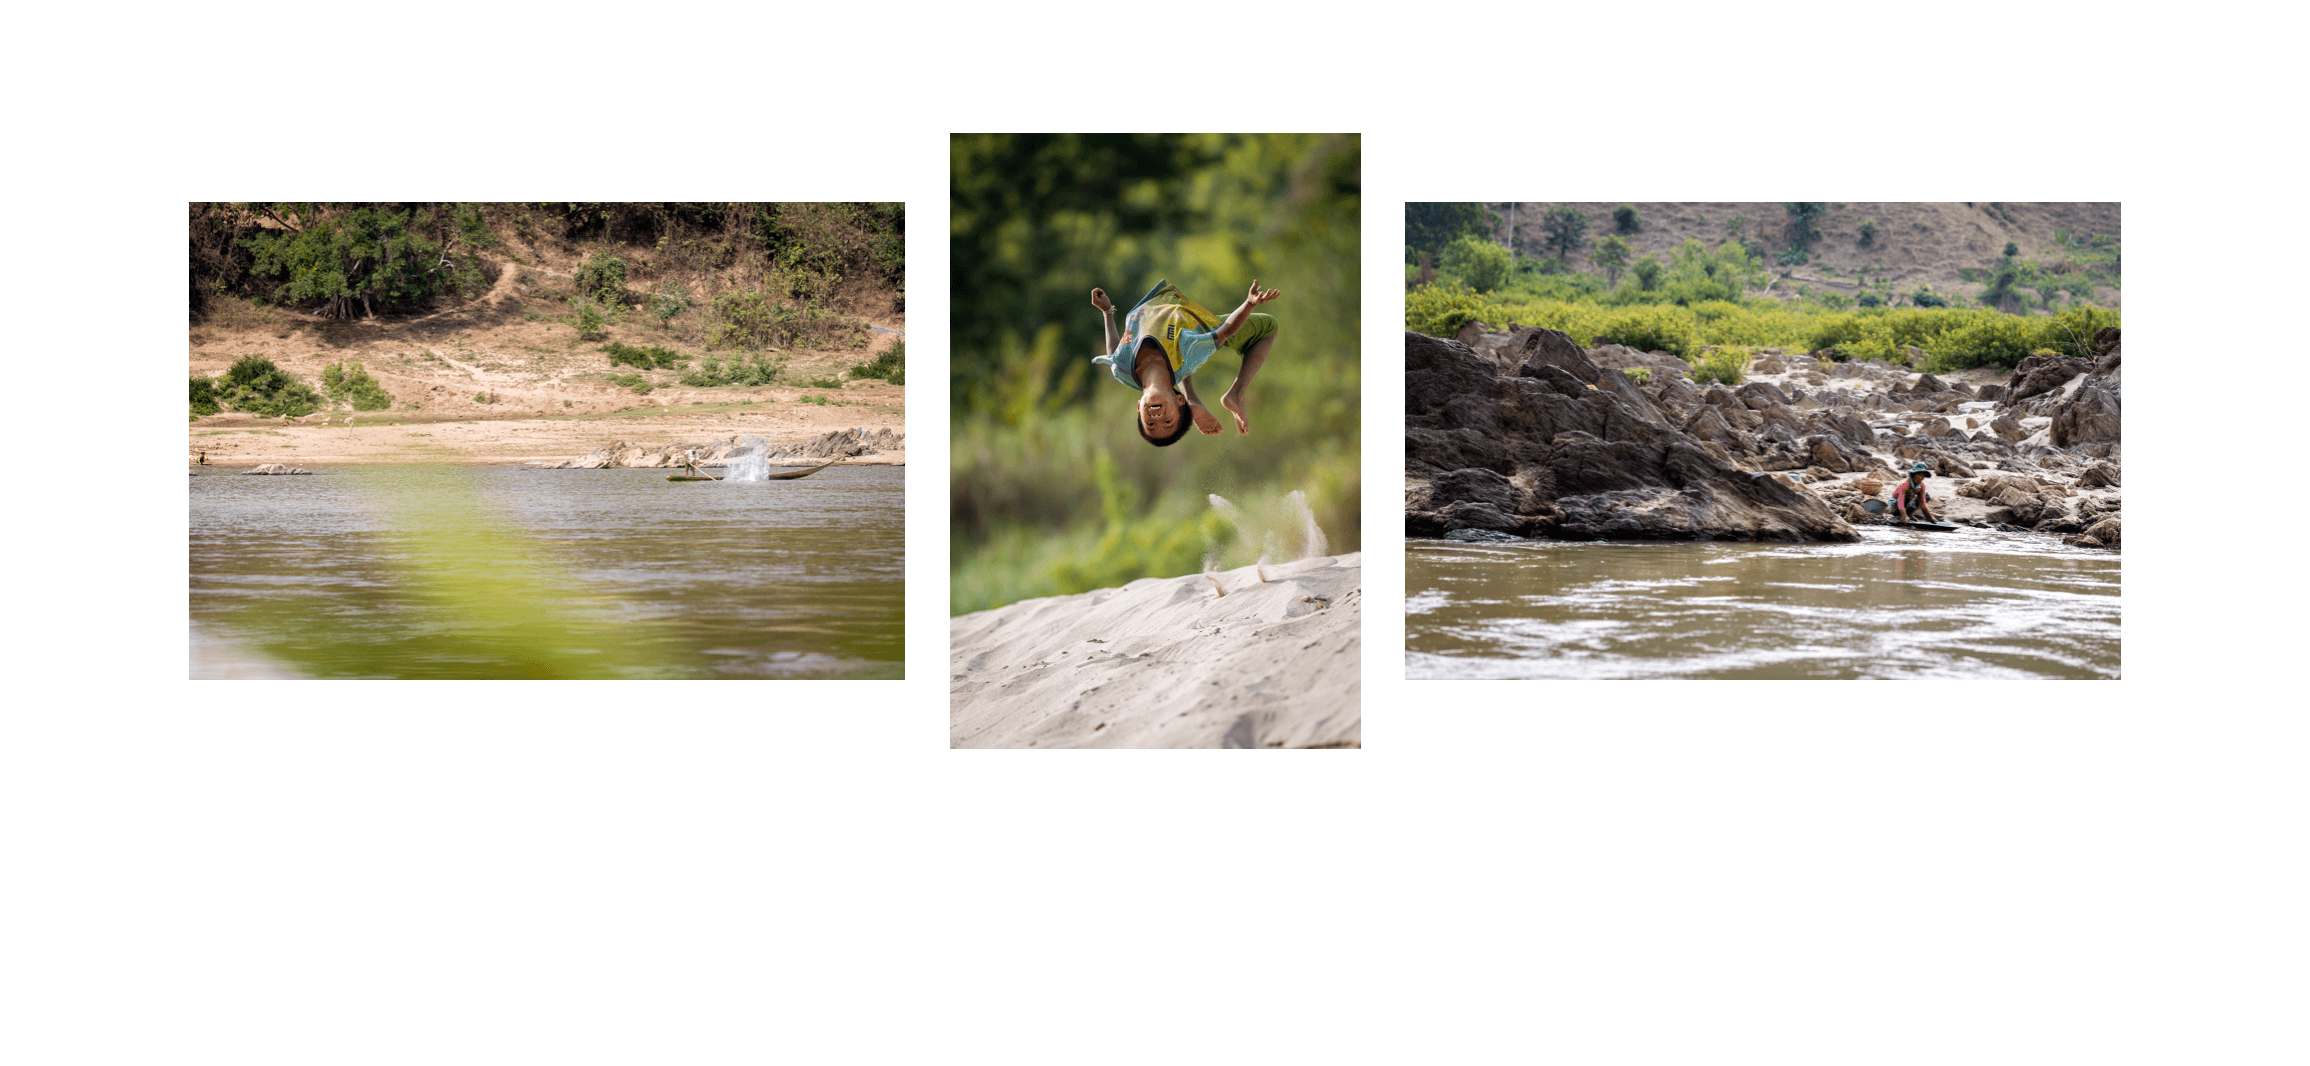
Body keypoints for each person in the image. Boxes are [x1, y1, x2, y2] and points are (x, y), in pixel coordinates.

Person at [1090, 278, 1280, 446]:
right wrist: (1249, 303)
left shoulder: (1122, 370)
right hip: (1194, 329)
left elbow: (1113, 351)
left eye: (1150, 424)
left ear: (1139, 407)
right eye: (1168, 422)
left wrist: (1107, 311)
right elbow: (1227, 330)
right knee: (1269, 326)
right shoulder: (1189, 351)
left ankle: (1191, 396)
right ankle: (1236, 394)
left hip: (1162, 320)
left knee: (1178, 364)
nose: (1158, 418)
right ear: (1178, 402)